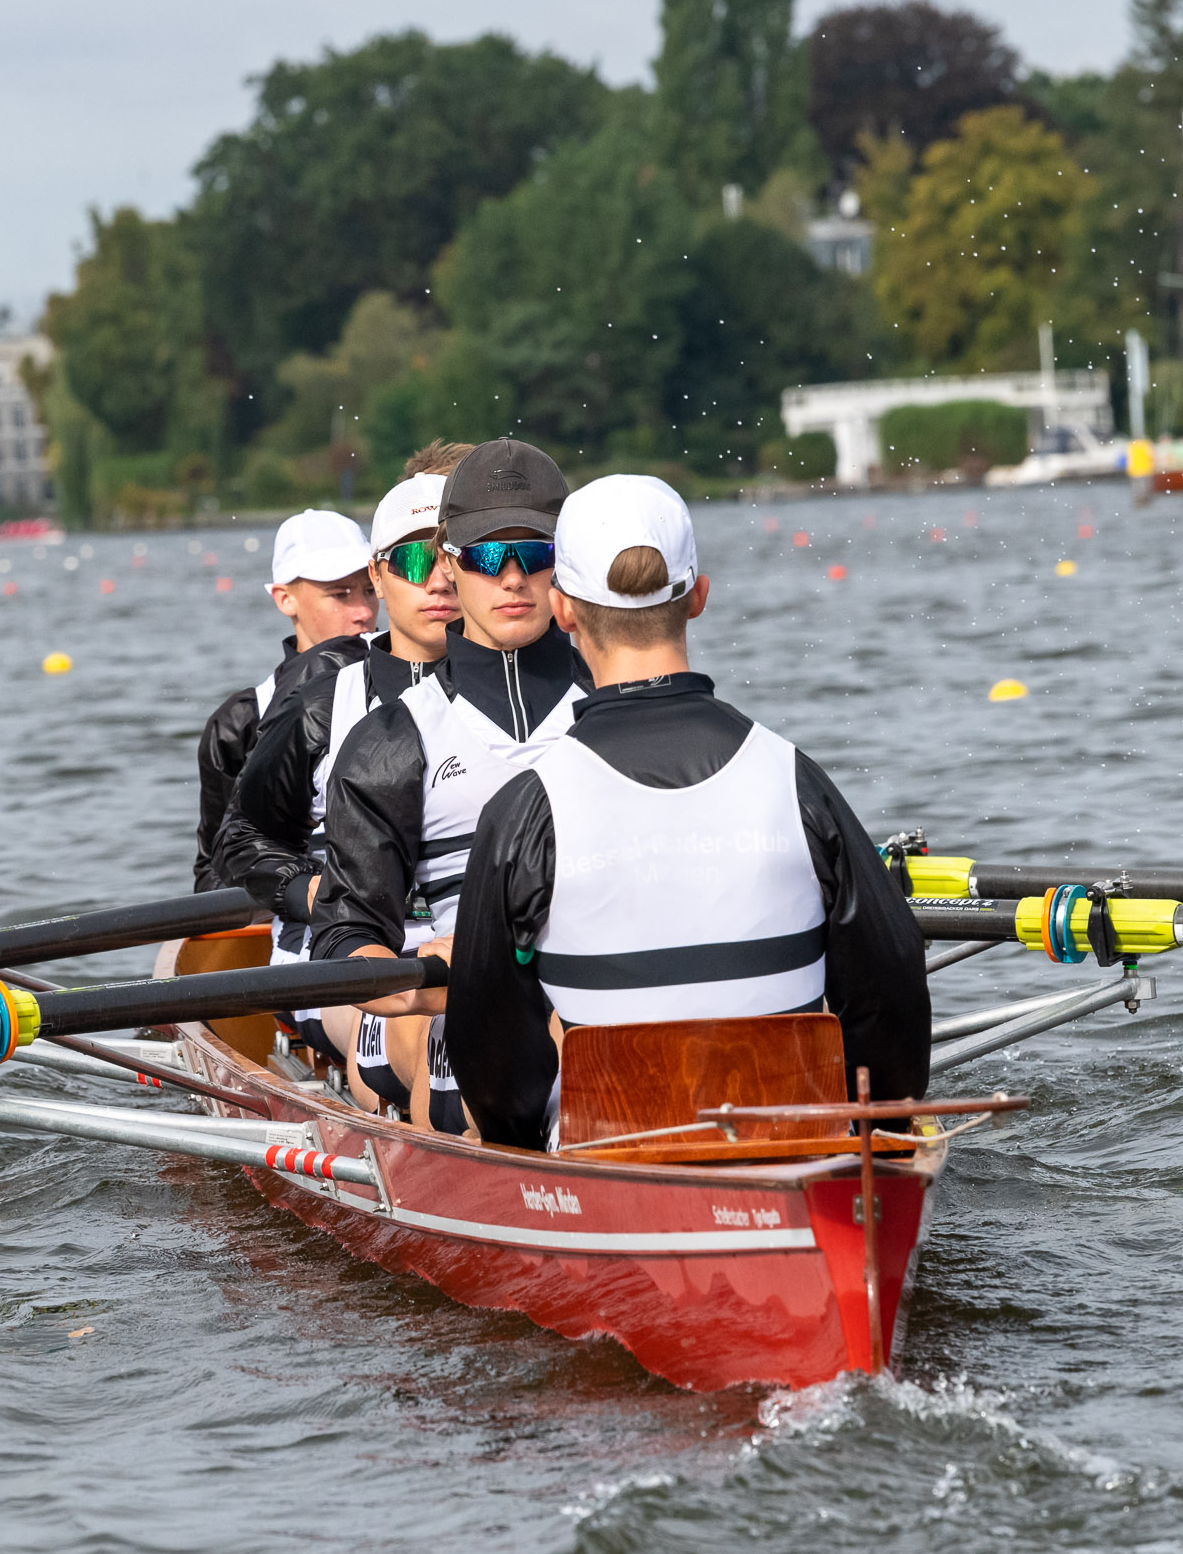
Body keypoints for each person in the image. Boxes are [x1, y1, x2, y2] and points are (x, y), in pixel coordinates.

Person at [441, 475, 931, 1150]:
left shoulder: (526, 810)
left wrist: (520, 1145)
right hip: (798, 1150)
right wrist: (890, 1130)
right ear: (699, 596)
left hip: (612, 1152)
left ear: (562, 611)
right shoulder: (795, 779)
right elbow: (892, 992)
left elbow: (490, 1056)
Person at [311, 440, 591, 1132]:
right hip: (465, 1035)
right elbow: (346, 939)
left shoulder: (615, 704)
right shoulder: (392, 741)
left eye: (534, 555)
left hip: (604, 1020)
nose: (514, 579)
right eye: (490, 557)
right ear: (450, 563)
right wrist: (422, 979)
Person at [213, 447, 469, 1090]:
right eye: (414, 561)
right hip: (341, 962)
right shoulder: (324, 703)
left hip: (480, 952)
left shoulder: (536, 693)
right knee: (424, 1026)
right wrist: (329, 899)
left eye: (454, 558)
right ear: (381, 578)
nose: (437, 580)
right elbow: (240, 842)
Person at [191, 509, 376, 891]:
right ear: (285, 599)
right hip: (300, 926)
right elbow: (212, 876)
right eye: (340, 594)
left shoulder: (417, 687)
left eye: (370, 590)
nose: (363, 612)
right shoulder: (238, 724)